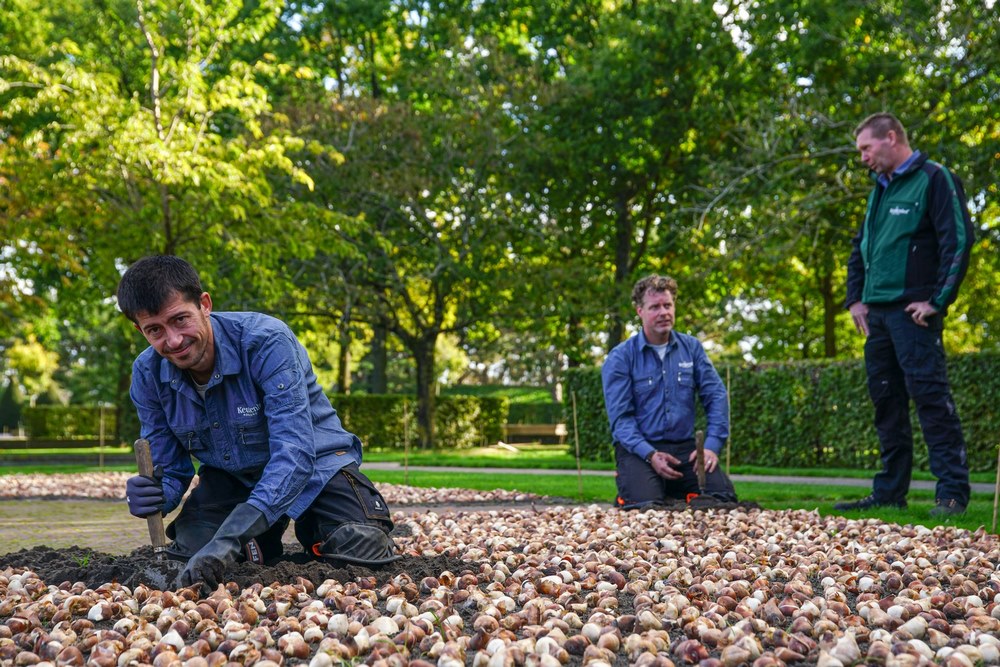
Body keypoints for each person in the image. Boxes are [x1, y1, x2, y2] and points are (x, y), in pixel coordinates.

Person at [118, 255, 398, 589]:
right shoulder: (147, 374)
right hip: (231, 478)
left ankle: (309, 532)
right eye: (155, 330)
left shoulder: (266, 341)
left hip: (315, 467)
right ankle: (257, 545)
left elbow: (294, 454)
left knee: (361, 546)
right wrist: (155, 496)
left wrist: (229, 537)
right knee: (192, 559)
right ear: (140, 329)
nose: (173, 340)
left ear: (204, 304)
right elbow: (172, 469)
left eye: (180, 320)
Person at [836, 112, 974, 517]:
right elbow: (859, 248)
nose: (862, 157)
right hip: (876, 315)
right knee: (886, 403)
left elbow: (959, 241)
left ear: (890, 138)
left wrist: (937, 301)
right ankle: (889, 492)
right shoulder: (879, 189)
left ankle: (951, 494)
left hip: (913, 314)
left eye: (865, 148)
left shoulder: (934, 178)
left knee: (931, 399)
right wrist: (854, 299)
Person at [602, 274, 737, 508]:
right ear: (639, 311)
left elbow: (716, 396)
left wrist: (711, 446)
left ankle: (671, 491)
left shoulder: (692, 348)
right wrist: (651, 455)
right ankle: (639, 489)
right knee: (644, 505)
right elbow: (621, 420)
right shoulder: (621, 357)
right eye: (655, 307)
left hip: (686, 450)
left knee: (722, 499)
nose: (664, 312)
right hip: (640, 450)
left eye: (668, 305)